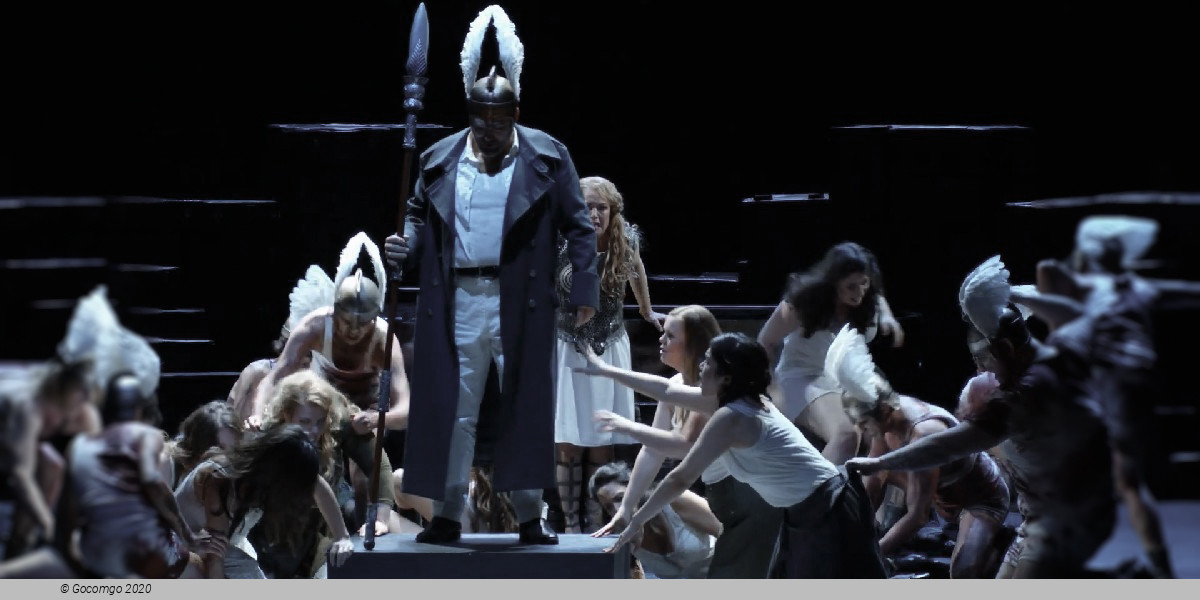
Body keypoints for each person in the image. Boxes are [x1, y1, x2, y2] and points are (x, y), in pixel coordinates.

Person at [383, 4, 598, 545]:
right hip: (457, 299)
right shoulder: (440, 158)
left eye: (501, 122)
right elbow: (416, 215)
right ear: (470, 114)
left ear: (516, 113)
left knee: (525, 406)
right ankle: (447, 514)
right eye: (482, 121)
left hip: (521, 300)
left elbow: (580, 226)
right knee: (454, 409)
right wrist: (404, 245)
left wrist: (584, 290)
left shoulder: (548, 155)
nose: (491, 131)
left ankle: (529, 516)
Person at [847, 256, 1117, 578]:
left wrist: (882, 463)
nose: (979, 370)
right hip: (1041, 519)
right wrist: (1009, 295)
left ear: (1006, 349)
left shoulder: (1021, 399)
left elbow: (946, 445)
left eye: (982, 359)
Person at [579, 333, 887, 578]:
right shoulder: (735, 401)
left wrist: (636, 519)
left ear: (726, 377)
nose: (701, 366)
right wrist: (604, 369)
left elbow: (680, 478)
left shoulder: (732, 417)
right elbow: (666, 391)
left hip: (829, 507)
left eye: (708, 362)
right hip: (812, 507)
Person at [589, 305, 783, 578]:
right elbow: (652, 450)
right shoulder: (677, 383)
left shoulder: (715, 392)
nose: (661, 340)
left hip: (751, 493)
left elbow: (683, 445)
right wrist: (627, 506)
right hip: (727, 495)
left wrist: (625, 425)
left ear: (693, 344)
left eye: (670, 335)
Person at [826, 325, 1010, 578]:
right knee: (877, 472)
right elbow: (875, 476)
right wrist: (858, 533)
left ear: (883, 411)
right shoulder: (886, 418)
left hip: (977, 500)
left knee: (964, 573)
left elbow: (918, 515)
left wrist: (873, 553)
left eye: (864, 423)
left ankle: (994, 544)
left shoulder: (924, 432)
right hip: (936, 491)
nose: (862, 430)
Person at [553, 175, 666, 533]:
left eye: (601, 207)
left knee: (601, 441)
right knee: (568, 442)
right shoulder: (561, 237)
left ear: (612, 210)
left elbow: (637, 270)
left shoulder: (624, 238)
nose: (594, 214)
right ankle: (570, 522)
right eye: (587, 206)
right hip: (568, 346)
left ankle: (594, 519)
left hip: (608, 345)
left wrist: (646, 310)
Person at [757, 241, 904, 464]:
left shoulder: (867, 299)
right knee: (847, 434)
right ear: (832, 283)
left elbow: (877, 295)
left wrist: (887, 316)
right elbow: (765, 342)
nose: (860, 292)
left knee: (890, 434)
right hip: (802, 377)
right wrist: (772, 390)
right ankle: (818, 485)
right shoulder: (803, 304)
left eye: (864, 283)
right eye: (851, 286)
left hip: (845, 379)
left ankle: (867, 486)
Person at [250, 232, 409, 435]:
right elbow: (274, 378)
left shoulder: (383, 339)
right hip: (321, 411)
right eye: (346, 322)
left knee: (365, 443)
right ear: (335, 313)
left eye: (363, 323)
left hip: (366, 417)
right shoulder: (315, 326)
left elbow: (404, 411)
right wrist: (258, 415)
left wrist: (375, 419)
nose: (354, 330)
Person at [253, 370, 396, 578]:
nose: (313, 430)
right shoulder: (268, 434)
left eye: (319, 421)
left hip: (321, 529)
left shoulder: (337, 423)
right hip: (272, 531)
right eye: (304, 421)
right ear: (286, 415)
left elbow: (378, 465)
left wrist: (380, 518)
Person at [173, 424, 354, 579]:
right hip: (182, 546)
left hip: (226, 546)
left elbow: (317, 485)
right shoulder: (223, 482)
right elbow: (214, 557)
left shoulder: (269, 467)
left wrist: (342, 536)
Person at [589, 462, 720, 578]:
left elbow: (730, 535)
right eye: (608, 507)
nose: (617, 509)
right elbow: (632, 573)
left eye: (620, 498)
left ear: (637, 489)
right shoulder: (621, 537)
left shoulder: (675, 499)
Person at [166, 400, 241, 489]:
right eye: (221, 449)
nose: (228, 459)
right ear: (199, 445)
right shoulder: (167, 464)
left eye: (233, 450)